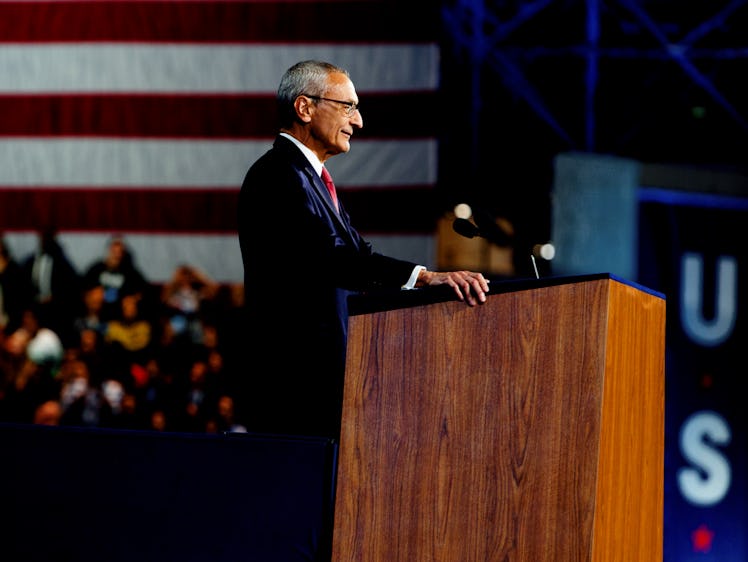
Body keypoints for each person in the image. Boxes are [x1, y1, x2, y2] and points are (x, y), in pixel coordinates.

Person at [238, 60, 490, 440]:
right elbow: (334, 259)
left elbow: (359, 255)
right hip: (294, 391)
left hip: (324, 387)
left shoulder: (313, 181)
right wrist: (425, 277)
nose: (358, 123)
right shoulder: (276, 176)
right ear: (305, 108)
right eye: (348, 107)